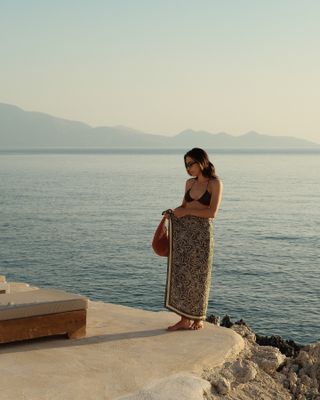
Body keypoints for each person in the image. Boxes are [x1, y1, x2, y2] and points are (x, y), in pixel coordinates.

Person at [164, 147, 223, 331]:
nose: (188, 168)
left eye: (191, 164)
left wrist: (187, 211)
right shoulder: (189, 183)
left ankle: (199, 317)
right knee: (183, 274)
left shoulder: (215, 184)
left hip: (202, 236)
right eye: (186, 165)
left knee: (200, 276)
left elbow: (212, 212)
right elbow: (184, 206)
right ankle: (184, 319)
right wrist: (172, 212)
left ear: (201, 162)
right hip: (184, 234)